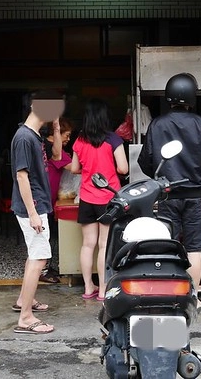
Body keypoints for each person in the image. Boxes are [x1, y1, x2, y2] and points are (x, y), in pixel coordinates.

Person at [137, 73, 201, 310]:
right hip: (194, 196)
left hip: (166, 195)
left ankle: (169, 295)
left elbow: (146, 160)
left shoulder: (157, 124)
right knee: (195, 247)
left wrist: (159, 177)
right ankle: (191, 298)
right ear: (192, 97)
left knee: (168, 245)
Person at [10, 91, 63, 334]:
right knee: (40, 258)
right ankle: (26, 318)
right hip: (33, 206)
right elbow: (21, 176)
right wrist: (32, 213)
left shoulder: (35, 135)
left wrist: (56, 127)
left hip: (38, 204)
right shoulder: (23, 137)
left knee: (35, 255)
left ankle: (24, 301)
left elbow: (58, 156)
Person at [69, 99, 129, 300]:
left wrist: (90, 169)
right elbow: (123, 169)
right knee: (104, 245)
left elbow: (75, 168)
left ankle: (88, 287)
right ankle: (103, 290)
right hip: (108, 199)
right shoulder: (113, 139)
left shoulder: (80, 140)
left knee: (88, 244)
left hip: (86, 197)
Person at [37, 117, 74, 284]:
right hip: (45, 196)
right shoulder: (54, 149)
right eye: (67, 135)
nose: (68, 139)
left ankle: (45, 267)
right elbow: (74, 168)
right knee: (44, 235)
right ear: (56, 133)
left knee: (45, 233)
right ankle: (42, 270)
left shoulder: (42, 144)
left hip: (44, 195)